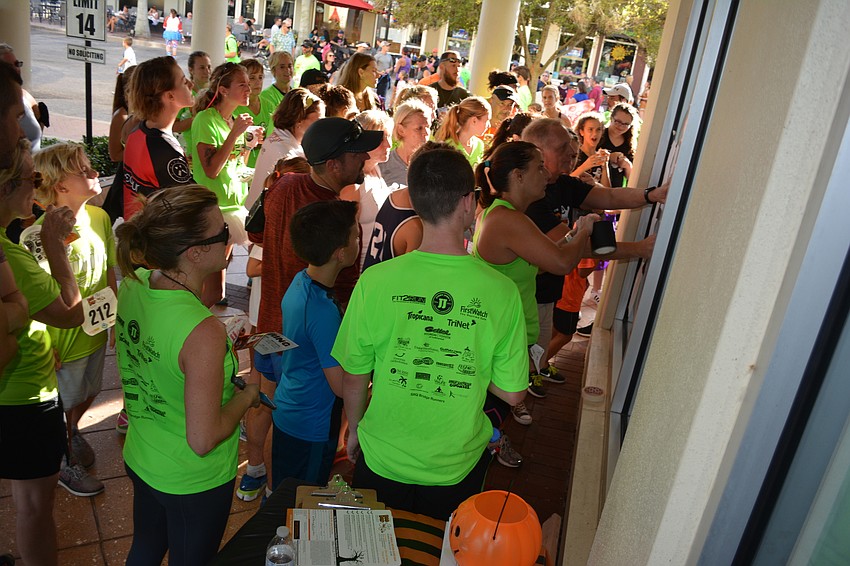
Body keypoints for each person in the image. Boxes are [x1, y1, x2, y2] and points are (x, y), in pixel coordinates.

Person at [332, 145, 529, 519]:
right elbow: (514, 391)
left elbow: (355, 375)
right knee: (435, 549)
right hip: (457, 463)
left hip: (382, 453)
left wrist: (354, 431)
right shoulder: (501, 290)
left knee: (375, 551)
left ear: (417, 203)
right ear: (469, 204)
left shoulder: (375, 281)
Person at [115, 185, 260, 565]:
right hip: (191, 479)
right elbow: (203, 438)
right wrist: (247, 396)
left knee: (144, 548)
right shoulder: (201, 331)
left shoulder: (134, 284)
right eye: (222, 232)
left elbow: (156, 353)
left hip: (143, 455)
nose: (230, 234)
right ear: (195, 252)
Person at [521, 118, 665, 387]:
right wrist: (641, 249)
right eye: (563, 147)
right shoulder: (531, 197)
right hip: (525, 297)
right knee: (521, 361)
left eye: (571, 146)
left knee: (535, 353)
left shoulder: (560, 182)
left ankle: (527, 384)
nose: (572, 152)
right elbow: (570, 248)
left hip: (546, 294)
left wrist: (651, 195)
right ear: (538, 152)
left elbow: (609, 197)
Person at [1, 138, 83, 566]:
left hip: (17, 387)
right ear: (7, 187)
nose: (38, 188)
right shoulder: (9, 255)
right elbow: (69, 313)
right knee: (35, 507)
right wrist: (55, 242)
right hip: (23, 398)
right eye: (32, 179)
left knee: (22, 495)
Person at [472, 140, 597, 408]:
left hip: (508, 333)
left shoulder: (507, 214)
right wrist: (584, 230)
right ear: (518, 176)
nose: (547, 175)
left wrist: (571, 235)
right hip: (503, 336)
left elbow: (542, 259)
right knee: (498, 406)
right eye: (539, 168)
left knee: (498, 406)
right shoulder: (508, 219)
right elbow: (561, 263)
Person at [33, 142, 118, 499]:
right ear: (59, 186)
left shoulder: (98, 218)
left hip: (94, 331)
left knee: (90, 390)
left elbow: (109, 269)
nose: (94, 173)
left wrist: (113, 316)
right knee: (63, 401)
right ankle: (63, 458)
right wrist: (44, 344)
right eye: (83, 170)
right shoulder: (39, 235)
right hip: (62, 341)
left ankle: (72, 431)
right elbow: (33, 297)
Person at [270, 200, 359, 488]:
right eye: (356, 236)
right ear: (341, 253)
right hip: (311, 425)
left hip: (290, 409)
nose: (360, 241)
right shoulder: (321, 310)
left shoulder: (301, 281)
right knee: (302, 500)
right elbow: (341, 386)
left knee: (286, 491)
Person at [191, 62, 259, 305]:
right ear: (223, 90)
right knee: (211, 289)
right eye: (242, 84)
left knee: (216, 286)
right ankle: (197, 332)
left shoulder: (231, 120)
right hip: (213, 210)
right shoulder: (205, 119)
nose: (249, 89)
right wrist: (235, 134)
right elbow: (211, 170)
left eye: (249, 85)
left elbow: (236, 165)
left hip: (233, 206)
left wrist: (248, 145)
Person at [123, 56, 195, 220]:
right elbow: (190, 205)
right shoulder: (164, 148)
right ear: (169, 96)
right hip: (155, 238)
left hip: (137, 233)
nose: (191, 85)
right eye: (184, 82)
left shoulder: (138, 132)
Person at [249, 88, 324, 210]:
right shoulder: (287, 153)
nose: (322, 126)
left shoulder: (278, 138)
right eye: (319, 120)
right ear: (299, 119)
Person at [340, 111, 394, 271]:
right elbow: (344, 241)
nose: (389, 145)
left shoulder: (375, 169)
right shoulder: (351, 184)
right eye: (381, 139)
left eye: (389, 137)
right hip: (359, 272)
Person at [381, 99, 432, 186]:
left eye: (428, 127)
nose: (426, 133)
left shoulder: (435, 163)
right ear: (401, 130)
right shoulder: (383, 164)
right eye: (419, 128)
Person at [174, 51, 212, 158]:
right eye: (202, 67)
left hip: (210, 149)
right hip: (189, 152)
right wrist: (198, 118)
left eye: (209, 67)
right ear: (191, 70)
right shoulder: (184, 94)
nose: (207, 71)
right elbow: (174, 127)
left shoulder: (214, 93)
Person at [434, 96, 491, 167]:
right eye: (487, 121)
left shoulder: (479, 144)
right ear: (474, 121)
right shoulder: (448, 147)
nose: (489, 125)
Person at [235, 58, 271, 167]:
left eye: (260, 77)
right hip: (241, 167)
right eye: (252, 78)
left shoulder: (269, 105)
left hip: (264, 165)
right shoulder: (234, 108)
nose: (258, 82)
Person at [600, 102, 639, 188]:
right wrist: (609, 157)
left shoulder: (629, 144)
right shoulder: (599, 136)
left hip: (616, 192)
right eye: (618, 122)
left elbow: (632, 179)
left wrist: (628, 166)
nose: (621, 126)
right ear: (611, 118)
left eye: (626, 124)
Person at [572, 112, 611, 187]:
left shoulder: (600, 156)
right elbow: (565, 181)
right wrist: (585, 166)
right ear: (582, 132)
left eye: (598, 129)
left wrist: (605, 166)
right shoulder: (574, 154)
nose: (595, 134)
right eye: (590, 129)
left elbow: (606, 190)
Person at [259, 51, 294, 121]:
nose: (287, 70)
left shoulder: (295, 93)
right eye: (282, 67)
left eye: (290, 66)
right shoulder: (266, 96)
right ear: (273, 70)